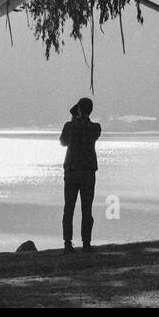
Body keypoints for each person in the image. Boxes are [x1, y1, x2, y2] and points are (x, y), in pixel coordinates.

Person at [59, 96, 101, 253]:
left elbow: (63, 141)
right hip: (88, 172)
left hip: (71, 171)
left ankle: (68, 243)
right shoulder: (95, 128)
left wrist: (73, 117)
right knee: (87, 209)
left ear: (78, 110)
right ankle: (86, 243)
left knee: (68, 208)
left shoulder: (70, 126)